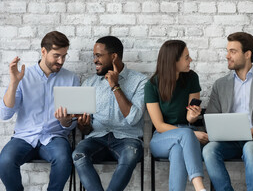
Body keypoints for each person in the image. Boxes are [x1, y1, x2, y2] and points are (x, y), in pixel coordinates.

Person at [203, 32, 253, 191]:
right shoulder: (220, 85)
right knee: (209, 150)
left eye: (233, 51)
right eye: (227, 51)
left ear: (247, 54)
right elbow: (211, 116)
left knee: (250, 148)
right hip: (230, 141)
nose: (227, 56)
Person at [0, 31, 79, 190]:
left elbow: (73, 121)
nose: (61, 61)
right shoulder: (24, 76)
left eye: (64, 56)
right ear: (43, 51)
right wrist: (14, 82)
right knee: (5, 161)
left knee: (64, 159)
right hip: (24, 136)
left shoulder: (71, 79)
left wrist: (65, 122)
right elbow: (5, 114)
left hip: (54, 137)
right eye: (56, 55)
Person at [72, 36, 147, 191]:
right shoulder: (90, 83)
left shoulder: (140, 81)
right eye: (94, 56)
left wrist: (115, 86)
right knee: (78, 155)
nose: (94, 60)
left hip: (127, 139)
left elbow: (133, 118)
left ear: (114, 57)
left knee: (130, 156)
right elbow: (85, 130)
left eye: (98, 56)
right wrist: (83, 125)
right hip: (96, 138)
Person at [145, 40, 207, 191]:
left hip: (185, 135)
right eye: (186, 57)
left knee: (178, 150)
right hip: (161, 137)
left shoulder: (192, 78)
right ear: (173, 61)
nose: (190, 60)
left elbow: (189, 119)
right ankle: (200, 188)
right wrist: (191, 134)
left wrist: (193, 116)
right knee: (185, 134)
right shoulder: (152, 85)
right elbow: (159, 125)